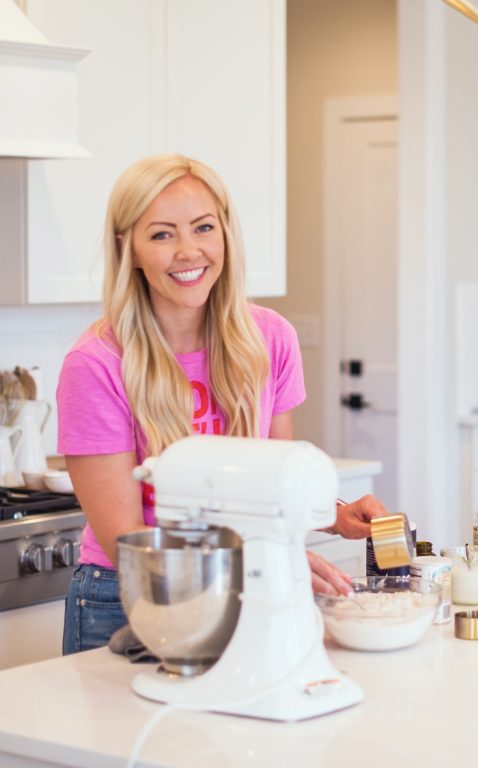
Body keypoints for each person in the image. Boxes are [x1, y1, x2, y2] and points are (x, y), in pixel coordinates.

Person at [57, 154, 387, 655]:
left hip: (243, 589)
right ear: (130, 249)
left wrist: (331, 513)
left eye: (203, 227)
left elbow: (269, 482)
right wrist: (262, 565)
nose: (189, 252)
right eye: (162, 234)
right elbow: (127, 539)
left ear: (226, 234)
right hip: (128, 598)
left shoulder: (269, 339)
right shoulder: (97, 363)